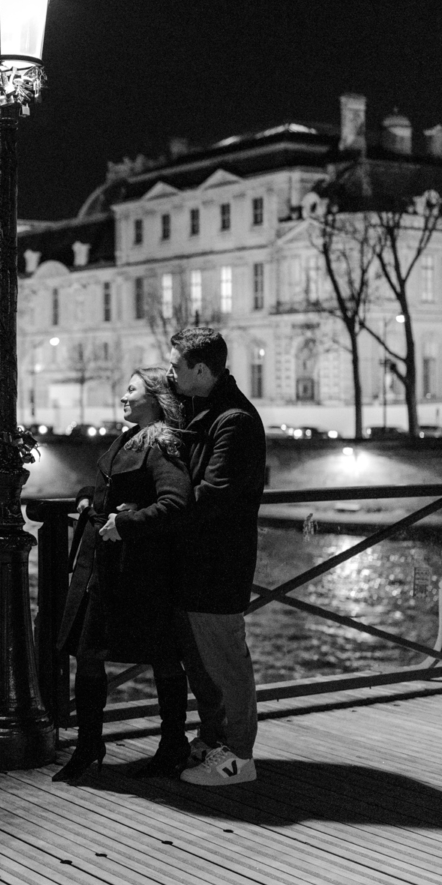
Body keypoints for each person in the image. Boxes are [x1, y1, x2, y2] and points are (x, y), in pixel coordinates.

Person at [52, 368, 194, 782]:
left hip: (139, 570)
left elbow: (175, 503)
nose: (123, 397)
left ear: (155, 398)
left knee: (161, 655)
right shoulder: (129, 439)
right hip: (104, 564)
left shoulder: (163, 446)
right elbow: (111, 488)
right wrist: (84, 499)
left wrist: (128, 524)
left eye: (131, 390)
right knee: (88, 652)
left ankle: (172, 744)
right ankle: (90, 743)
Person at [166, 326, 267, 786]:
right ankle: (214, 739)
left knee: (226, 661)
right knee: (205, 662)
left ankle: (240, 758)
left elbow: (213, 493)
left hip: (219, 562)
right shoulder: (207, 411)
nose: (171, 371)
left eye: (177, 365)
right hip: (197, 561)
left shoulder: (234, 421)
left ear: (201, 370)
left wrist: (156, 514)